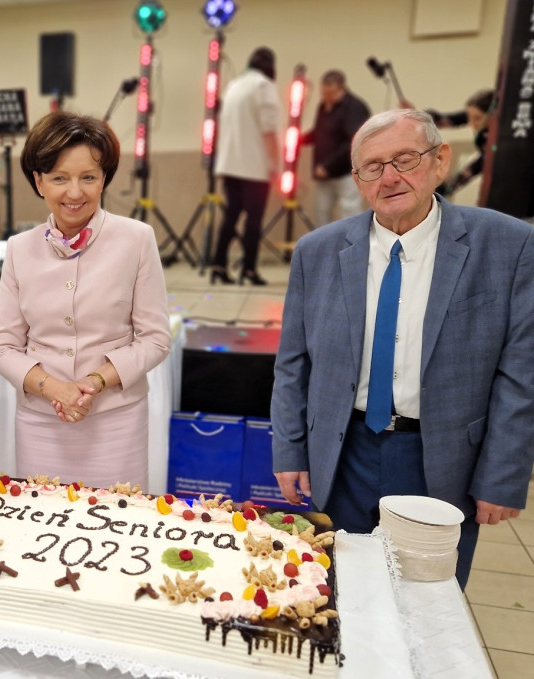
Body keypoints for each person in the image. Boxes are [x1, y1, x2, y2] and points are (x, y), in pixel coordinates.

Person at [270, 109, 534, 589]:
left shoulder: (509, 245)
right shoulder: (317, 252)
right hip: (342, 453)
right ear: (357, 179)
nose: (390, 177)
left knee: (428, 600)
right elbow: (292, 365)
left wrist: (503, 476)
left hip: (442, 459)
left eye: (405, 159)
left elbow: (521, 375)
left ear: (439, 161)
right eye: (373, 166)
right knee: (341, 591)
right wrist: (289, 450)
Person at [0, 112, 171, 489]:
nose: (75, 193)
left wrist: (94, 382)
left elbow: (155, 339)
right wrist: (55, 389)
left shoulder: (136, 239)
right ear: (39, 182)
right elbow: (4, 347)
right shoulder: (19, 248)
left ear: (104, 177)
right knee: (40, 531)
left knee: (119, 525)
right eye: (59, 178)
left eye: (88, 177)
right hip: (40, 421)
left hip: (116, 420)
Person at [210, 46, 282, 286]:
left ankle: (218, 265)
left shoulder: (234, 85)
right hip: (254, 166)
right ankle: (249, 270)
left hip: (229, 163)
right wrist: (276, 166)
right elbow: (269, 130)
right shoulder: (263, 86)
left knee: (231, 215)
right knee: (254, 220)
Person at [301, 69, 370, 224]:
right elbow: (319, 132)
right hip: (325, 174)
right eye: (323, 93)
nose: (326, 97)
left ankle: (352, 247)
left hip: (347, 173)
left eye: (330, 93)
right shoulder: (323, 106)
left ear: (342, 89)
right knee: (321, 212)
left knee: (350, 213)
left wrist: (328, 165)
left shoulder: (354, 107)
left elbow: (353, 141)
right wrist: (299, 140)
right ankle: (324, 246)